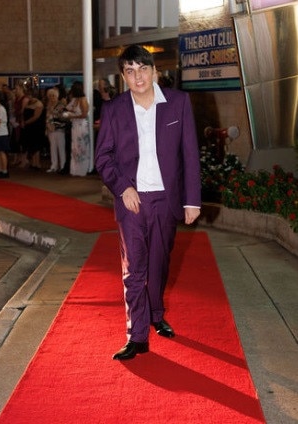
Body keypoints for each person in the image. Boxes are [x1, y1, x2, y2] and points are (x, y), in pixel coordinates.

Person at [95, 44, 201, 361]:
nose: (138, 76)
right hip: (132, 200)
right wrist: (122, 188)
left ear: (154, 71)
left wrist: (192, 200)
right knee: (134, 269)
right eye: (130, 71)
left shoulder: (178, 103)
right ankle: (137, 335)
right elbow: (103, 158)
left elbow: (190, 155)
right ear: (123, 76)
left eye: (143, 69)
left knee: (159, 262)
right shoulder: (113, 109)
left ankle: (156, 313)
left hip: (166, 199)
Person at [65, 81, 91, 176]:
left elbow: (84, 114)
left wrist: (72, 116)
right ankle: (75, 169)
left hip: (81, 125)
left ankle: (82, 169)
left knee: (82, 147)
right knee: (75, 147)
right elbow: (69, 108)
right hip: (75, 125)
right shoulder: (75, 99)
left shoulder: (83, 100)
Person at [45, 88, 66, 173]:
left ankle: (63, 166)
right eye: (50, 96)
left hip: (59, 129)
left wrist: (52, 114)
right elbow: (47, 118)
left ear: (57, 96)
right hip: (50, 129)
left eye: (53, 95)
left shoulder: (61, 105)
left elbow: (61, 116)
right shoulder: (48, 105)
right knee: (52, 148)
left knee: (61, 148)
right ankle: (54, 165)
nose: (51, 97)